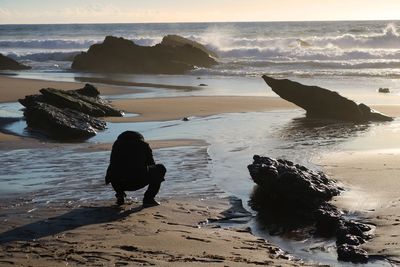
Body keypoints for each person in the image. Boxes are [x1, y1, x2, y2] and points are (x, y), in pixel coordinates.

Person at [105, 131, 166, 207]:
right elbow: (151, 164)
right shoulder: (144, 145)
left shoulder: (117, 146)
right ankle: (148, 199)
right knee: (160, 168)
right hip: (138, 180)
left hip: (119, 183)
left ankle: (120, 195)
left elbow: (112, 163)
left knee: (114, 170)